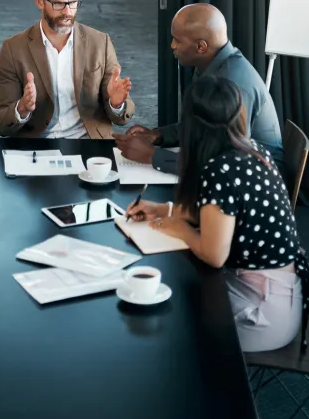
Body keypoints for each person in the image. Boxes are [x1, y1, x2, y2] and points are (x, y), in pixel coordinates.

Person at [126, 76, 308, 352]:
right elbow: (226, 218)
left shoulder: (218, 170)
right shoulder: (253, 151)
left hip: (264, 313)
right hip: (283, 295)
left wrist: (178, 226)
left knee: (167, 320)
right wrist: (165, 210)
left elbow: (214, 255)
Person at [115, 3, 284, 174]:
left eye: (178, 40)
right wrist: (159, 135)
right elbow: (204, 127)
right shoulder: (211, 64)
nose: (172, 45)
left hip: (257, 178)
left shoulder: (233, 85)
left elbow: (224, 162)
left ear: (201, 47)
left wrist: (152, 156)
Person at [0, 0, 134, 138]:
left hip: (88, 143)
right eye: (59, 4)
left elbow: (121, 117)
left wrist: (116, 103)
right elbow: (0, 122)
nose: (68, 12)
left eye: (73, 2)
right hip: (37, 147)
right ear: (40, 2)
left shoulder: (100, 43)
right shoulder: (13, 49)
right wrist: (21, 109)